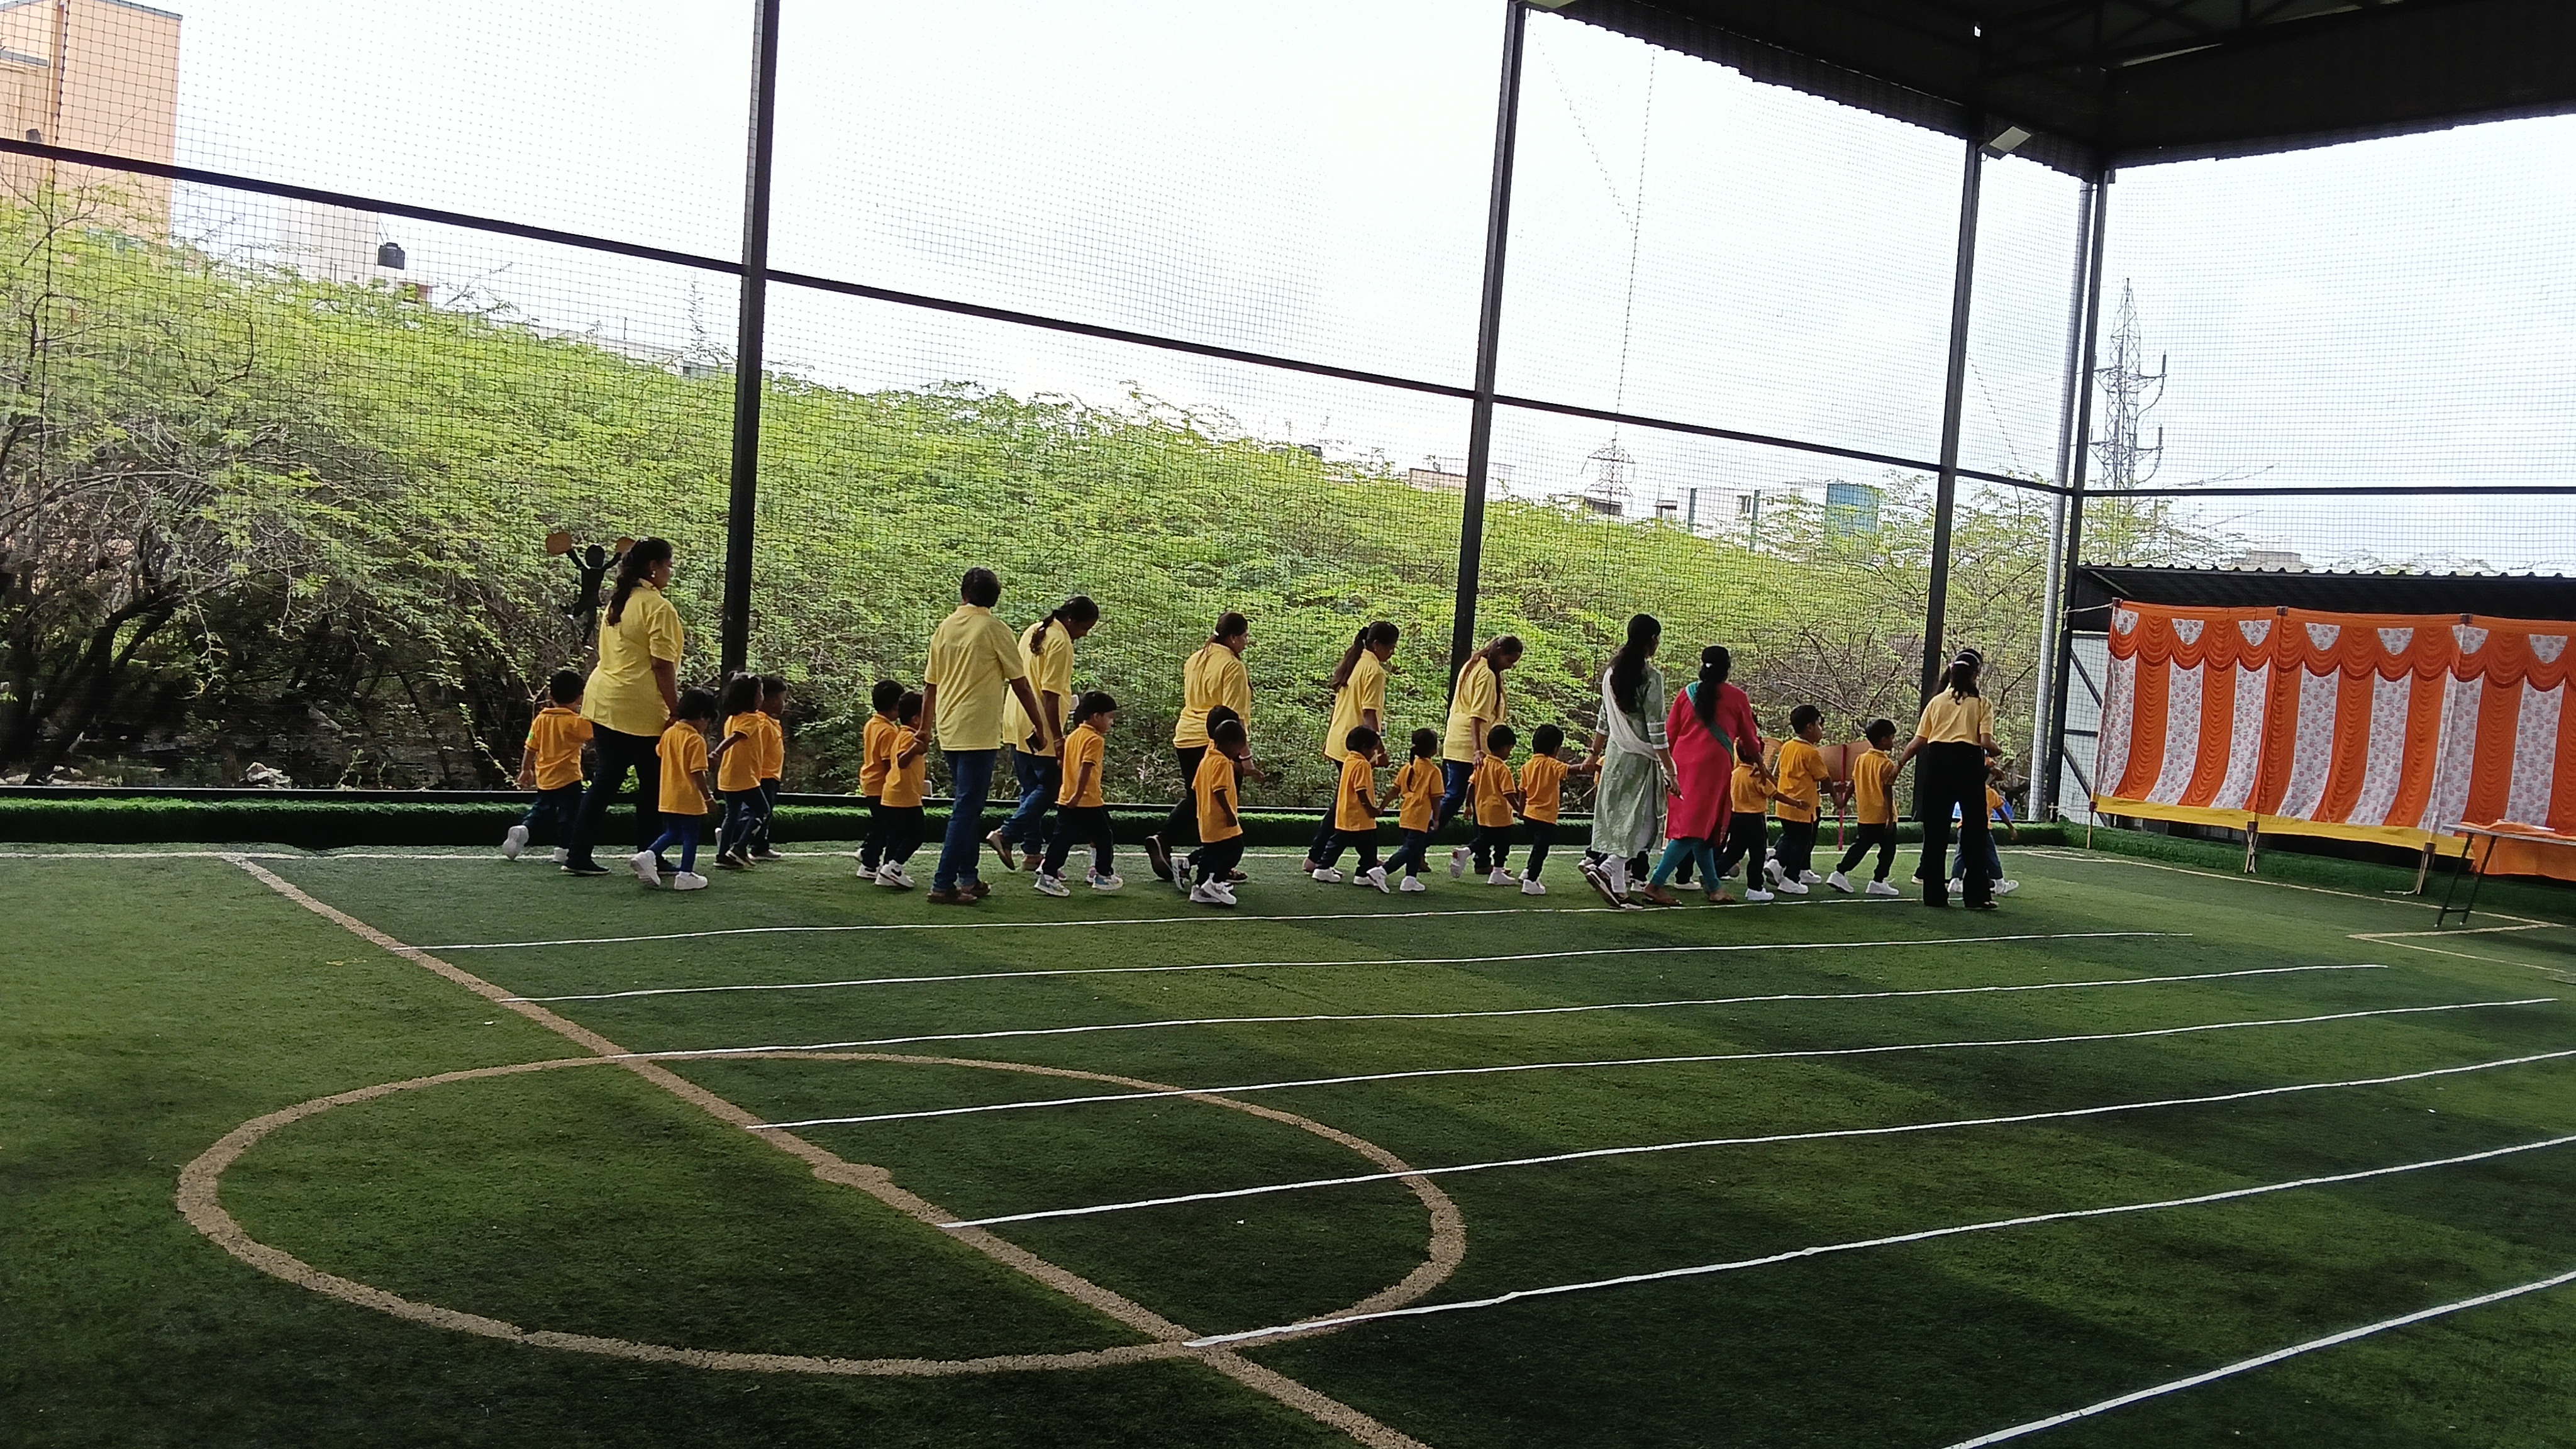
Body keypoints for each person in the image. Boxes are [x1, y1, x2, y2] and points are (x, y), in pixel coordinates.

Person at [921, 568, 1057, 906]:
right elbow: (1021, 684)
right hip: (978, 730)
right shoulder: (995, 629)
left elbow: (930, 686)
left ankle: (968, 878)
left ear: (963, 593)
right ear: (995, 599)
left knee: (966, 805)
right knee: (967, 808)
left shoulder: (945, 627)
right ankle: (943, 884)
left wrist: (924, 729)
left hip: (949, 727)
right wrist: (1041, 727)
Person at [565, 537, 683, 877]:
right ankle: (650, 855)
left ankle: (578, 855)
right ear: (653, 567)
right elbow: (662, 665)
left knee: (606, 780)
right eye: (668, 564)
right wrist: (675, 711)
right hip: (639, 707)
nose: (670, 571)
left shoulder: (619, 602)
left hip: (604, 700)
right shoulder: (658, 607)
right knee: (652, 785)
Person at [1637, 646, 1763, 908]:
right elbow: (1750, 738)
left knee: (1701, 829)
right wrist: (1761, 763)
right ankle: (1655, 884)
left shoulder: (1687, 693)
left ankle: (1715, 887)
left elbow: (1670, 733)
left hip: (1682, 765)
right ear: (1727, 668)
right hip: (1713, 767)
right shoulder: (1737, 697)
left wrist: (1666, 768)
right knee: (1693, 831)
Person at [991, 595, 1101, 872]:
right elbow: (1051, 695)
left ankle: (1031, 852)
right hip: (1040, 724)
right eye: (1084, 628)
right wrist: (1058, 737)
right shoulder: (1061, 642)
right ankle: (1006, 834)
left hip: (1016, 719)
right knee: (1050, 787)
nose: (1085, 634)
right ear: (1071, 620)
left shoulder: (1035, 629)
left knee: (1030, 788)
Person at [1579, 614, 1679, 910]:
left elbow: (1603, 719)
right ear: (1652, 641)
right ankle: (1608, 867)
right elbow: (1657, 729)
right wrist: (1670, 770)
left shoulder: (1612, 672)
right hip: (1641, 759)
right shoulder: (1651, 677)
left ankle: (1619, 889)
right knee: (1645, 823)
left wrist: (1594, 754)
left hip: (1616, 755)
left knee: (1621, 818)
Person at [1148, 613, 1253, 883]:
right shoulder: (1232, 666)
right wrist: (1245, 756)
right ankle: (1208, 861)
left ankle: (1176, 846)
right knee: (1218, 802)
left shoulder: (1196, 658)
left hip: (1186, 735)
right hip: (1215, 742)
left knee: (1198, 797)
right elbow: (1234, 717)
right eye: (1245, 636)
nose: (1247, 642)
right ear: (1233, 637)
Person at [1898, 649, 2001, 909]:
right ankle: (1976, 897)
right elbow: (1986, 742)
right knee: (1975, 831)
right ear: (1976, 674)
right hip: (1969, 765)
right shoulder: (1982, 704)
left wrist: (1899, 765)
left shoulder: (1936, 703)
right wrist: (1997, 751)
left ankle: (1934, 896)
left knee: (1935, 831)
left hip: (1938, 764)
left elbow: (1918, 741)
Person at [1303, 623, 1399, 874]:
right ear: (1376, 645)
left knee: (1343, 802)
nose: (1392, 652)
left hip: (1341, 740)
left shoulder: (1355, 661)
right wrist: (1379, 750)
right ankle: (1321, 858)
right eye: (1390, 647)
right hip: (1357, 746)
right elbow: (1369, 715)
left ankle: (1324, 858)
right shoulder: (1374, 671)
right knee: (1348, 805)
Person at [633, 686, 726, 891]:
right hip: (688, 797)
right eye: (708, 722)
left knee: (673, 832)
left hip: (668, 795)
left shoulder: (669, 734)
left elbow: (661, 753)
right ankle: (685, 874)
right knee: (691, 834)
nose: (706, 727)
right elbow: (697, 772)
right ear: (702, 716)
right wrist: (708, 798)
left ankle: (648, 855)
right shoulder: (696, 740)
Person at [1035, 691, 1124, 896]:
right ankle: (1103, 874)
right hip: (1087, 800)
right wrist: (1078, 794)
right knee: (1104, 836)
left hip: (1066, 797)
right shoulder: (1095, 740)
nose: (1111, 722)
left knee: (1063, 838)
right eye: (1110, 717)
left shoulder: (1073, 736)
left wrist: (1071, 793)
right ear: (1096, 716)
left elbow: (1065, 765)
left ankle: (1048, 873)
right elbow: (1086, 767)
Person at [504, 669, 591, 863]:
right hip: (569, 777)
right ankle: (563, 850)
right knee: (569, 816)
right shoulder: (576, 722)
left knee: (542, 809)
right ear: (579, 698)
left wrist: (526, 769)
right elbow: (593, 732)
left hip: (545, 776)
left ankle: (524, 828)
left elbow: (530, 747)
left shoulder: (541, 720)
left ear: (550, 695)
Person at [1438, 635, 1522, 835]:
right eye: (1509, 660)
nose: (1511, 666)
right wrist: (1477, 751)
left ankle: (1480, 851)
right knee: (1458, 796)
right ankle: (1420, 838)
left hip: (1457, 741)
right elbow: (1477, 716)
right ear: (1499, 652)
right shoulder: (1487, 675)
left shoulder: (1473, 664)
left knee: (1470, 797)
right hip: (1471, 747)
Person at [1827, 718, 1903, 897]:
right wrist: (1890, 817)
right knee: (1888, 850)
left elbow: (1853, 784)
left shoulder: (1862, 759)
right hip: (1881, 815)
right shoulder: (1886, 764)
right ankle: (1878, 881)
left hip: (1865, 814)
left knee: (1860, 846)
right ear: (1883, 740)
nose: (1893, 742)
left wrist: (1843, 802)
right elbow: (1887, 791)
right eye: (1891, 738)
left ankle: (1840, 872)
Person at [1311, 724, 1391, 892]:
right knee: (1369, 848)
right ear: (1365, 748)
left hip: (1345, 812)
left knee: (1337, 842)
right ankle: (1363, 874)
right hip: (1360, 816)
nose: (1374, 753)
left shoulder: (1349, 760)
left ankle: (1323, 867)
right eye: (1373, 749)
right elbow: (1361, 790)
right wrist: (1370, 809)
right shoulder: (1363, 765)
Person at [1767, 704, 1830, 896]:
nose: (1821, 729)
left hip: (1784, 804)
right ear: (1810, 727)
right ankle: (1791, 878)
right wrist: (1835, 793)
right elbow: (1823, 778)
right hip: (1802, 807)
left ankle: (1776, 864)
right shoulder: (1811, 752)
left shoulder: (1787, 746)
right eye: (1819, 724)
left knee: (1790, 836)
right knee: (1801, 843)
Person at [1515, 724, 1585, 897]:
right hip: (1545, 818)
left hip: (1529, 815)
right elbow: (1572, 770)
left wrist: (1520, 811)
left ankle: (1527, 872)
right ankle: (1531, 881)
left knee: (1536, 848)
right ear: (1555, 748)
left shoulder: (1527, 766)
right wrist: (1588, 765)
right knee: (1541, 851)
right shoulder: (1552, 765)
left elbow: (1522, 791)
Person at [1189, 716, 1251, 908]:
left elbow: (1196, 787)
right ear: (1230, 744)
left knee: (1210, 854)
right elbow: (1219, 790)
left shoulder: (1207, 759)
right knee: (1235, 849)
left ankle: (1200, 888)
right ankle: (1216, 882)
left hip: (1206, 817)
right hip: (1221, 818)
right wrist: (1230, 814)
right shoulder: (1223, 762)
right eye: (1238, 748)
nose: (1238, 753)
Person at [872, 691, 930, 891]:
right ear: (916, 719)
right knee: (917, 834)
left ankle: (887, 870)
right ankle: (895, 867)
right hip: (904, 796)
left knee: (895, 836)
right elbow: (902, 761)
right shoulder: (908, 736)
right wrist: (915, 749)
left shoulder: (900, 733)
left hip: (892, 794)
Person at [713, 674, 770, 871]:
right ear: (752, 697)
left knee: (732, 815)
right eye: (760, 693)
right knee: (762, 810)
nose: (762, 697)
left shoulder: (732, 718)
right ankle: (740, 848)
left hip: (728, 775)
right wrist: (717, 751)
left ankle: (723, 856)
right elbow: (736, 737)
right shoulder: (751, 720)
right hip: (744, 776)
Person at [1453, 723, 1521, 886]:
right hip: (1500, 814)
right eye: (1510, 749)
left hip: (1482, 811)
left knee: (1485, 838)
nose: (1509, 753)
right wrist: (1520, 809)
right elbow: (1508, 793)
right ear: (1504, 748)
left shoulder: (1482, 764)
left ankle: (1467, 851)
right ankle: (1497, 871)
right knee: (1503, 844)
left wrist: (1468, 805)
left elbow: (1471, 785)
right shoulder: (1502, 769)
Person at [1381, 728, 1444, 893]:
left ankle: (1411, 879)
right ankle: (1383, 870)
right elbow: (1436, 799)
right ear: (1433, 749)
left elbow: (1394, 791)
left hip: (1406, 814)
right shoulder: (1434, 771)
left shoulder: (1408, 767)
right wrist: (1437, 818)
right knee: (1410, 849)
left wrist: (1382, 807)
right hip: (1420, 816)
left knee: (1416, 847)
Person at [854, 679, 904, 882]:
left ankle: (867, 853)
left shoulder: (872, 724)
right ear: (896, 705)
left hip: (870, 781)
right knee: (885, 827)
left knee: (879, 824)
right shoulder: (889, 731)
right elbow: (888, 762)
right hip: (881, 785)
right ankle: (869, 863)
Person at [1713, 752, 1777, 903]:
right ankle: (1755, 888)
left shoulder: (1736, 773)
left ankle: (1712, 876)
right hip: (1754, 818)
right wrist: (1795, 803)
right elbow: (1774, 790)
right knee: (1758, 854)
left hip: (1737, 816)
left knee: (1733, 852)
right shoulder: (1757, 775)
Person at [1950, 763, 2020, 896]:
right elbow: (2001, 812)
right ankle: (2000, 884)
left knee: (1961, 854)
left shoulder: (1967, 788)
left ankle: (1955, 881)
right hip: (1983, 828)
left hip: (1964, 826)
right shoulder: (1990, 793)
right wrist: (2011, 828)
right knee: (1991, 855)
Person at [749, 674, 788, 861]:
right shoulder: (762, 723)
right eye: (782, 699)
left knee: (766, 813)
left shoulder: (770, 722)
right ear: (770, 700)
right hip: (763, 775)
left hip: (772, 775)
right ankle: (745, 841)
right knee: (760, 812)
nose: (784, 704)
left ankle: (760, 846)